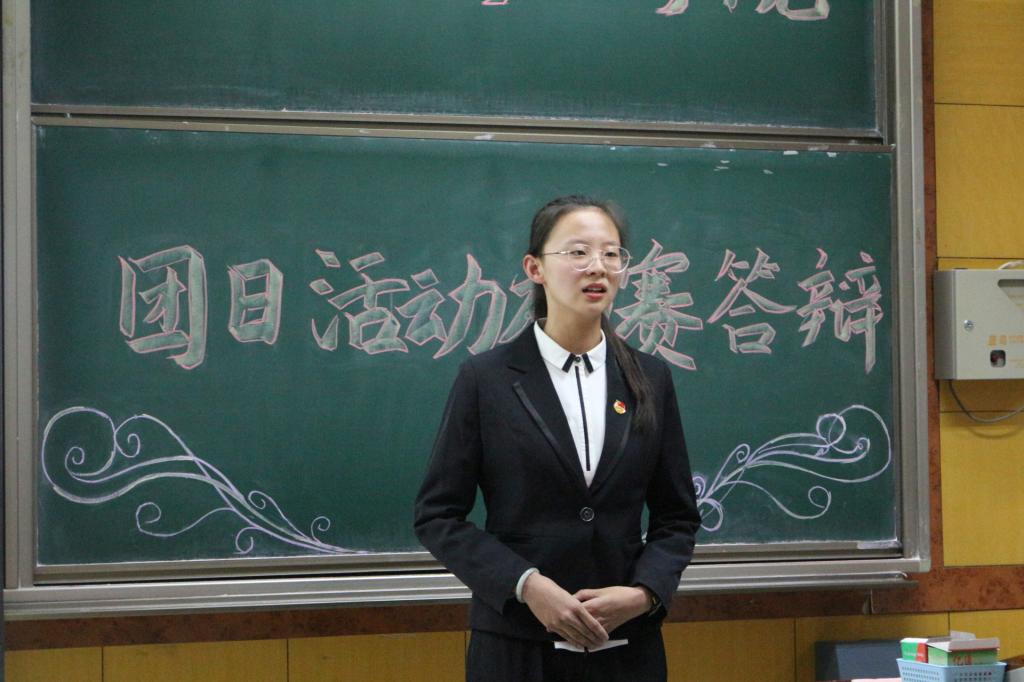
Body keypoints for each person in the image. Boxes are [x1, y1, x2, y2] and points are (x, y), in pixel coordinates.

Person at [414, 195, 701, 681]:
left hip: (626, 649)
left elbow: (677, 517)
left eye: (611, 253)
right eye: (578, 252)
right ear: (535, 268)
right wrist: (527, 585)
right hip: (517, 647)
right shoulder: (486, 379)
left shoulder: (650, 378)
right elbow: (437, 516)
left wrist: (644, 594)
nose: (598, 267)